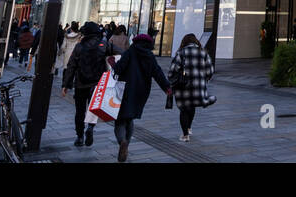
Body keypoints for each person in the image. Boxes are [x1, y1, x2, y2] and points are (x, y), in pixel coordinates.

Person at [111, 33, 172, 162]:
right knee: (130, 117)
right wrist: (166, 87)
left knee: (120, 119)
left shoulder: (130, 51)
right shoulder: (149, 55)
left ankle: (123, 141)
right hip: (141, 91)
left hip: (125, 89)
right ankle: (126, 143)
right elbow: (157, 72)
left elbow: (119, 69)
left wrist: (112, 63)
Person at [60, 22, 113, 148]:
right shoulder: (103, 45)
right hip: (96, 84)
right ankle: (90, 127)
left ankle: (79, 137)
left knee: (79, 111)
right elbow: (119, 53)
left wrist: (66, 85)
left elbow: (71, 66)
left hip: (80, 84)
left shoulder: (79, 46)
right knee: (93, 108)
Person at [167, 33, 215, 142]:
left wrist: (172, 80)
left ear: (184, 42)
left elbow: (172, 71)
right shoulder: (203, 53)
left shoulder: (181, 53)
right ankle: (188, 128)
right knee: (192, 107)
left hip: (183, 87)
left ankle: (185, 135)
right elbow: (210, 71)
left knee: (184, 109)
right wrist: (204, 79)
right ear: (196, 41)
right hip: (198, 87)